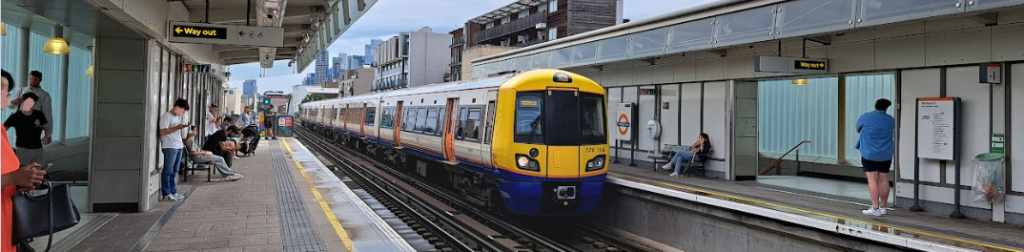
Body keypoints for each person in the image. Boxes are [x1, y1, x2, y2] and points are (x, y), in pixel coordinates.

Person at [1, 69, 47, 252]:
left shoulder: (1, 132)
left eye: (5, 91)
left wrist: (21, 180)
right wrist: (11, 179)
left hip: (7, 225)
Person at [856, 98, 895, 217]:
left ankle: (875, 208)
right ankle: (883, 207)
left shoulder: (866, 117)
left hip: (870, 153)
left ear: (875, 105)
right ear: (886, 108)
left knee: (872, 180)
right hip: (886, 154)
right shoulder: (890, 120)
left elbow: (858, 129)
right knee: (883, 179)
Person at [4, 93, 52, 166]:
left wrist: (46, 136)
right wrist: (6, 145)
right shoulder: (16, 116)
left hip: (38, 148)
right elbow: (3, 129)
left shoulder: (38, 114)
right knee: (24, 173)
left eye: (33, 102)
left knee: (38, 172)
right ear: (23, 101)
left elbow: (46, 128)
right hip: (23, 149)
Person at [159, 98, 191, 201]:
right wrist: (177, 128)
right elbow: (163, 132)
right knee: (168, 170)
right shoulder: (166, 117)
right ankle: (166, 193)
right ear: (178, 107)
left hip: (178, 146)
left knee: (174, 171)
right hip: (169, 146)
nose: (183, 113)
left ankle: (173, 191)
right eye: (183, 110)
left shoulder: (176, 117)